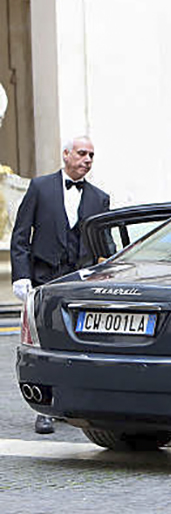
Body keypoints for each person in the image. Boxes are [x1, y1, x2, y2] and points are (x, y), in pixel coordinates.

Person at [11, 135, 110, 435]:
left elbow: (105, 243)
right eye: (82, 153)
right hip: (45, 281)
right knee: (44, 347)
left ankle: (79, 406)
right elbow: (20, 236)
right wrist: (21, 276)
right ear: (66, 155)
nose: (88, 160)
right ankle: (45, 410)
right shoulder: (40, 187)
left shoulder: (99, 197)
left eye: (92, 155)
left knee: (83, 346)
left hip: (81, 284)